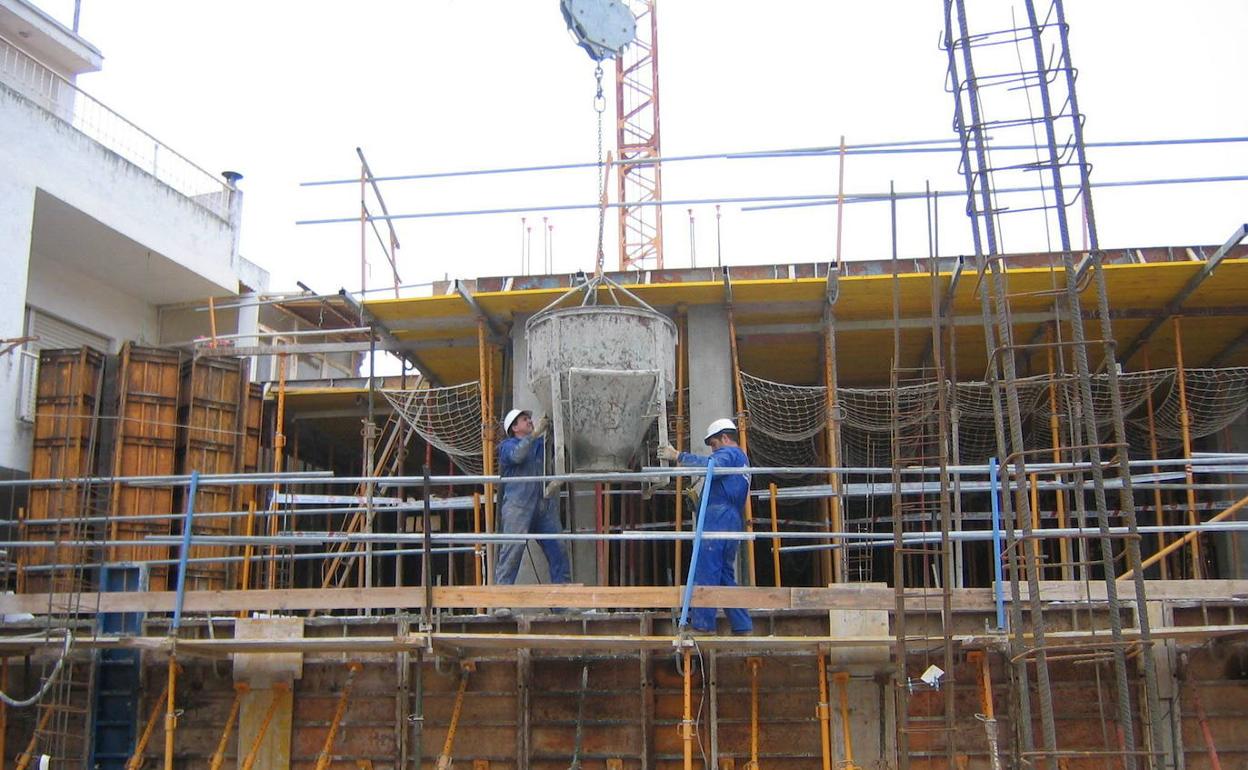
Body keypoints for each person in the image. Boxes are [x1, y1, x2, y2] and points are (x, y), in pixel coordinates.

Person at [659, 418, 753, 635]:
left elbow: (713, 465)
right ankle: (742, 625)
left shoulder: (731, 454)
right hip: (729, 519)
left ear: (726, 438)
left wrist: (678, 456)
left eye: (714, 444)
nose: (713, 449)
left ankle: (703, 625)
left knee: (706, 568)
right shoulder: (741, 460)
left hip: (718, 518)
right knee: (723, 576)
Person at [493, 408, 571, 615]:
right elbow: (518, 456)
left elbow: (552, 455)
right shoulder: (507, 446)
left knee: (558, 550)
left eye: (529, 418)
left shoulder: (537, 445)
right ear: (514, 427)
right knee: (512, 551)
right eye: (524, 419)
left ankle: (561, 603)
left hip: (542, 504)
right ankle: (502, 600)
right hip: (518, 506)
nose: (529, 421)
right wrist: (536, 434)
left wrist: (551, 431)